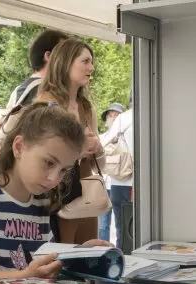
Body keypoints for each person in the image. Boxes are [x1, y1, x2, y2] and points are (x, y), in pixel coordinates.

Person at [0, 103, 113, 284]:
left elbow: (43, 263)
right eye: (49, 163)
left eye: (63, 170)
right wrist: (27, 276)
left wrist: (79, 255)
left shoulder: (41, 201)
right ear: (19, 147)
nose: (54, 179)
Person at [35, 38, 106, 245]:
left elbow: (99, 166)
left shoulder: (86, 107)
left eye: (91, 62)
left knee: (88, 261)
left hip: (85, 199)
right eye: (85, 61)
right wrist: (77, 151)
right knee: (61, 263)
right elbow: (38, 158)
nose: (91, 68)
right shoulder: (45, 105)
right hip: (57, 199)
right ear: (65, 62)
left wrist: (97, 148)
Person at [100, 107, 134, 248]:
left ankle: (125, 257)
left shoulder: (123, 119)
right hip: (135, 180)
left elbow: (104, 146)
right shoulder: (152, 113)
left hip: (121, 181)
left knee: (123, 228)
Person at [11, 30, 69, 106]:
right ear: (48, 56)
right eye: (65, 54)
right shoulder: (43, 91)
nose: (70, 60)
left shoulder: (18, 90)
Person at [98, 103, 125, 242]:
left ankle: (121, 252)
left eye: (117, 115)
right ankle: (102, 254)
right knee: (102, 225)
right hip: (102, 185)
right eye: (110, 115)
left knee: (121, 224)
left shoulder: (126, 138)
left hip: (120, 184)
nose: (113, 118)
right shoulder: (100, 138)